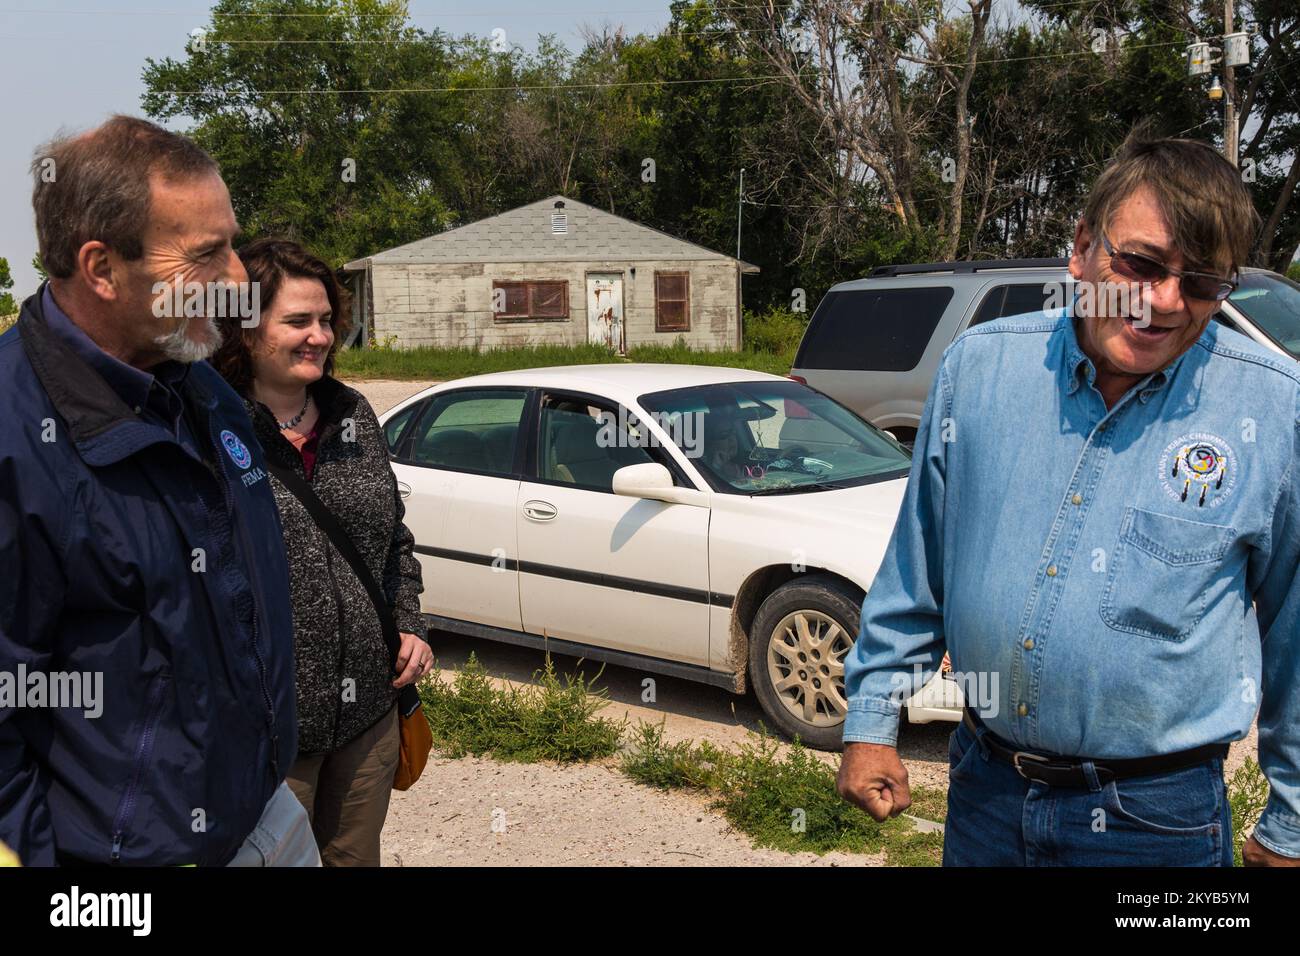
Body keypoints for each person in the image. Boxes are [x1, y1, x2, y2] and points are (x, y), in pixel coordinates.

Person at [837, 126, 1300, 866]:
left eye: (1205, 282)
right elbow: (918, 564)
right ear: (1082, 246)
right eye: (1142, 264)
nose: (1167, 302)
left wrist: (1293, 820)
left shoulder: (1275, 410)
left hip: (1155, 824)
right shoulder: (979, 370)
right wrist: (871, 720)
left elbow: (1297, 635)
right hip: (984, 793)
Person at [0, 116, 315, 866]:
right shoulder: (15, 442)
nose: (240, 279)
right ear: (102, 269)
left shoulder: (199, 385)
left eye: (231, 242)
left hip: (265, 818)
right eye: (207, 255)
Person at [211, 238, 428, 867]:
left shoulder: (352, 413)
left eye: (327, 319)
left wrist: (409, 621)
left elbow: (393, 539)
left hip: (368, 718)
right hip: (271, 731)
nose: (320, 336)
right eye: (298, 321)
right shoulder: (211, 430)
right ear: (245, 329)